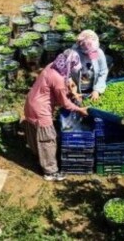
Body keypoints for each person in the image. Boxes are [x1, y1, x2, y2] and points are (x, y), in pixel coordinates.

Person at [24, 49, 88, 181]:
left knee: (36, 134)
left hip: (30, 103)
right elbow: (64, 103)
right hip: (40, 111)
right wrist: (79, 109)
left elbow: (63, 81)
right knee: (48, 140)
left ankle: (40, 157)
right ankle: (50, 172)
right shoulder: (58, 79)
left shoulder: (53, 65)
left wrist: (73, 92)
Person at [70, 30, 108, 100]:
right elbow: (66, 73)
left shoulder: (99, 53)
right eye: (87, 53)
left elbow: (103, 71)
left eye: (93, 52)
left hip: (92, 88)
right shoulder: (73, 54)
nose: (91, 55)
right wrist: (74, 91)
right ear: (81, 47)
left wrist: (97, 90)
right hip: (76, 89)